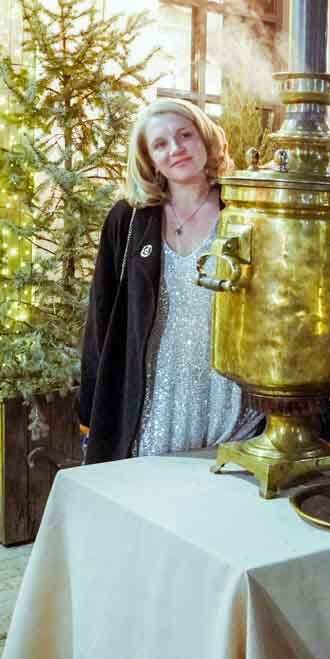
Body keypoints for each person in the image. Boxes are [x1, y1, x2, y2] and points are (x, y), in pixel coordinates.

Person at [78, 97, 262, 463]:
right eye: (160, 144)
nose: (176, 148)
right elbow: (102, 314)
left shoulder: (245, 211)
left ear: (205, 139)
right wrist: (90, 407)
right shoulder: (129, 218)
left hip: (227, 395)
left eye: (185, 135)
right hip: (152, 396)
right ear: (149, 159)